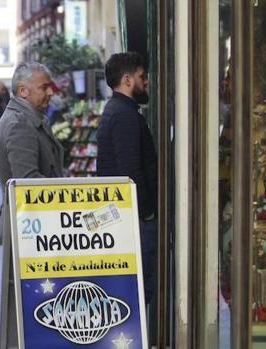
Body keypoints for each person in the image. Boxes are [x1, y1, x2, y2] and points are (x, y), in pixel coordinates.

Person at [0, 62, 63, 346]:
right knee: (27, 304)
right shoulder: (20, 124)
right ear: (23, 91)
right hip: (30, 229)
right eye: (43, 87)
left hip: (32, 228)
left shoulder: (28, 119)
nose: (49, 92)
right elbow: (29, 184)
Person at [96, 52, 157, 304]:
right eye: (142, 77)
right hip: (134, 219)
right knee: (143, 288)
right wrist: (147, 212)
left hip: (126, 215)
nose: (146, 82)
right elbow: (130, 169)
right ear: (127, 79)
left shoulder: (117, 109)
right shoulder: (125, 114)